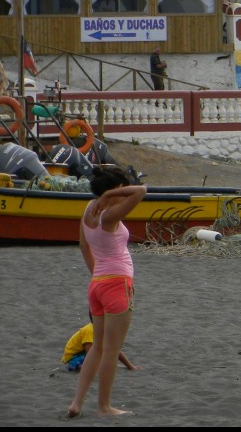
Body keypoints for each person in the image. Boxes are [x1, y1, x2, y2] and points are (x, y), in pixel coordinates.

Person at [67, 165, 147, 418]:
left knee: (98, 347)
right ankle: (104, 406)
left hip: (98, 284)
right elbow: (142, 191)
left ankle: (77, 403)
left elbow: (83, 246)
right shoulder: (108, 215)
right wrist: (107, 197)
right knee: (111, 350)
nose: (124, 194)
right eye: (121, 190)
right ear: (112, 192)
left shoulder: (87, 211)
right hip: (117, 283)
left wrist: (97, 275)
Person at [62, 321, 140, 373]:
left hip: (85, 355)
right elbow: (90, 354)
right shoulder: (90, 330)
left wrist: (130, 366)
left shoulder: (104, 330)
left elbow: (115, 350)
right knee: (99, 366)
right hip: (72, 358)